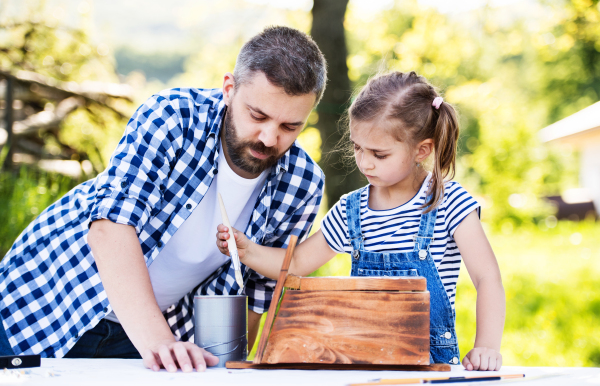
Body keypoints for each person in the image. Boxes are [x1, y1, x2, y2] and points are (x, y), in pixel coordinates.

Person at [0, 26, 327, 372]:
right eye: (257, 116)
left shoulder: (302, 183)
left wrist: (230, 373)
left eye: (290, 127)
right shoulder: (173, 117)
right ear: (229, 89)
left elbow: (259, 294)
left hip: (142, 336)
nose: (268, 137)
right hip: (43, 299)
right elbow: (110, 227)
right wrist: (160, 342)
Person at [217, 71, 506, 371]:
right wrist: (247, 251)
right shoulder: (351, 210)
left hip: (430, 367)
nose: (365, 162)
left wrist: (486, 346)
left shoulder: (448, 203)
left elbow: (488, 279)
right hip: (364, 364)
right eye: (357, 148)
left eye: (379, 154)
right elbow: (298, 263)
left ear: (422, 150)